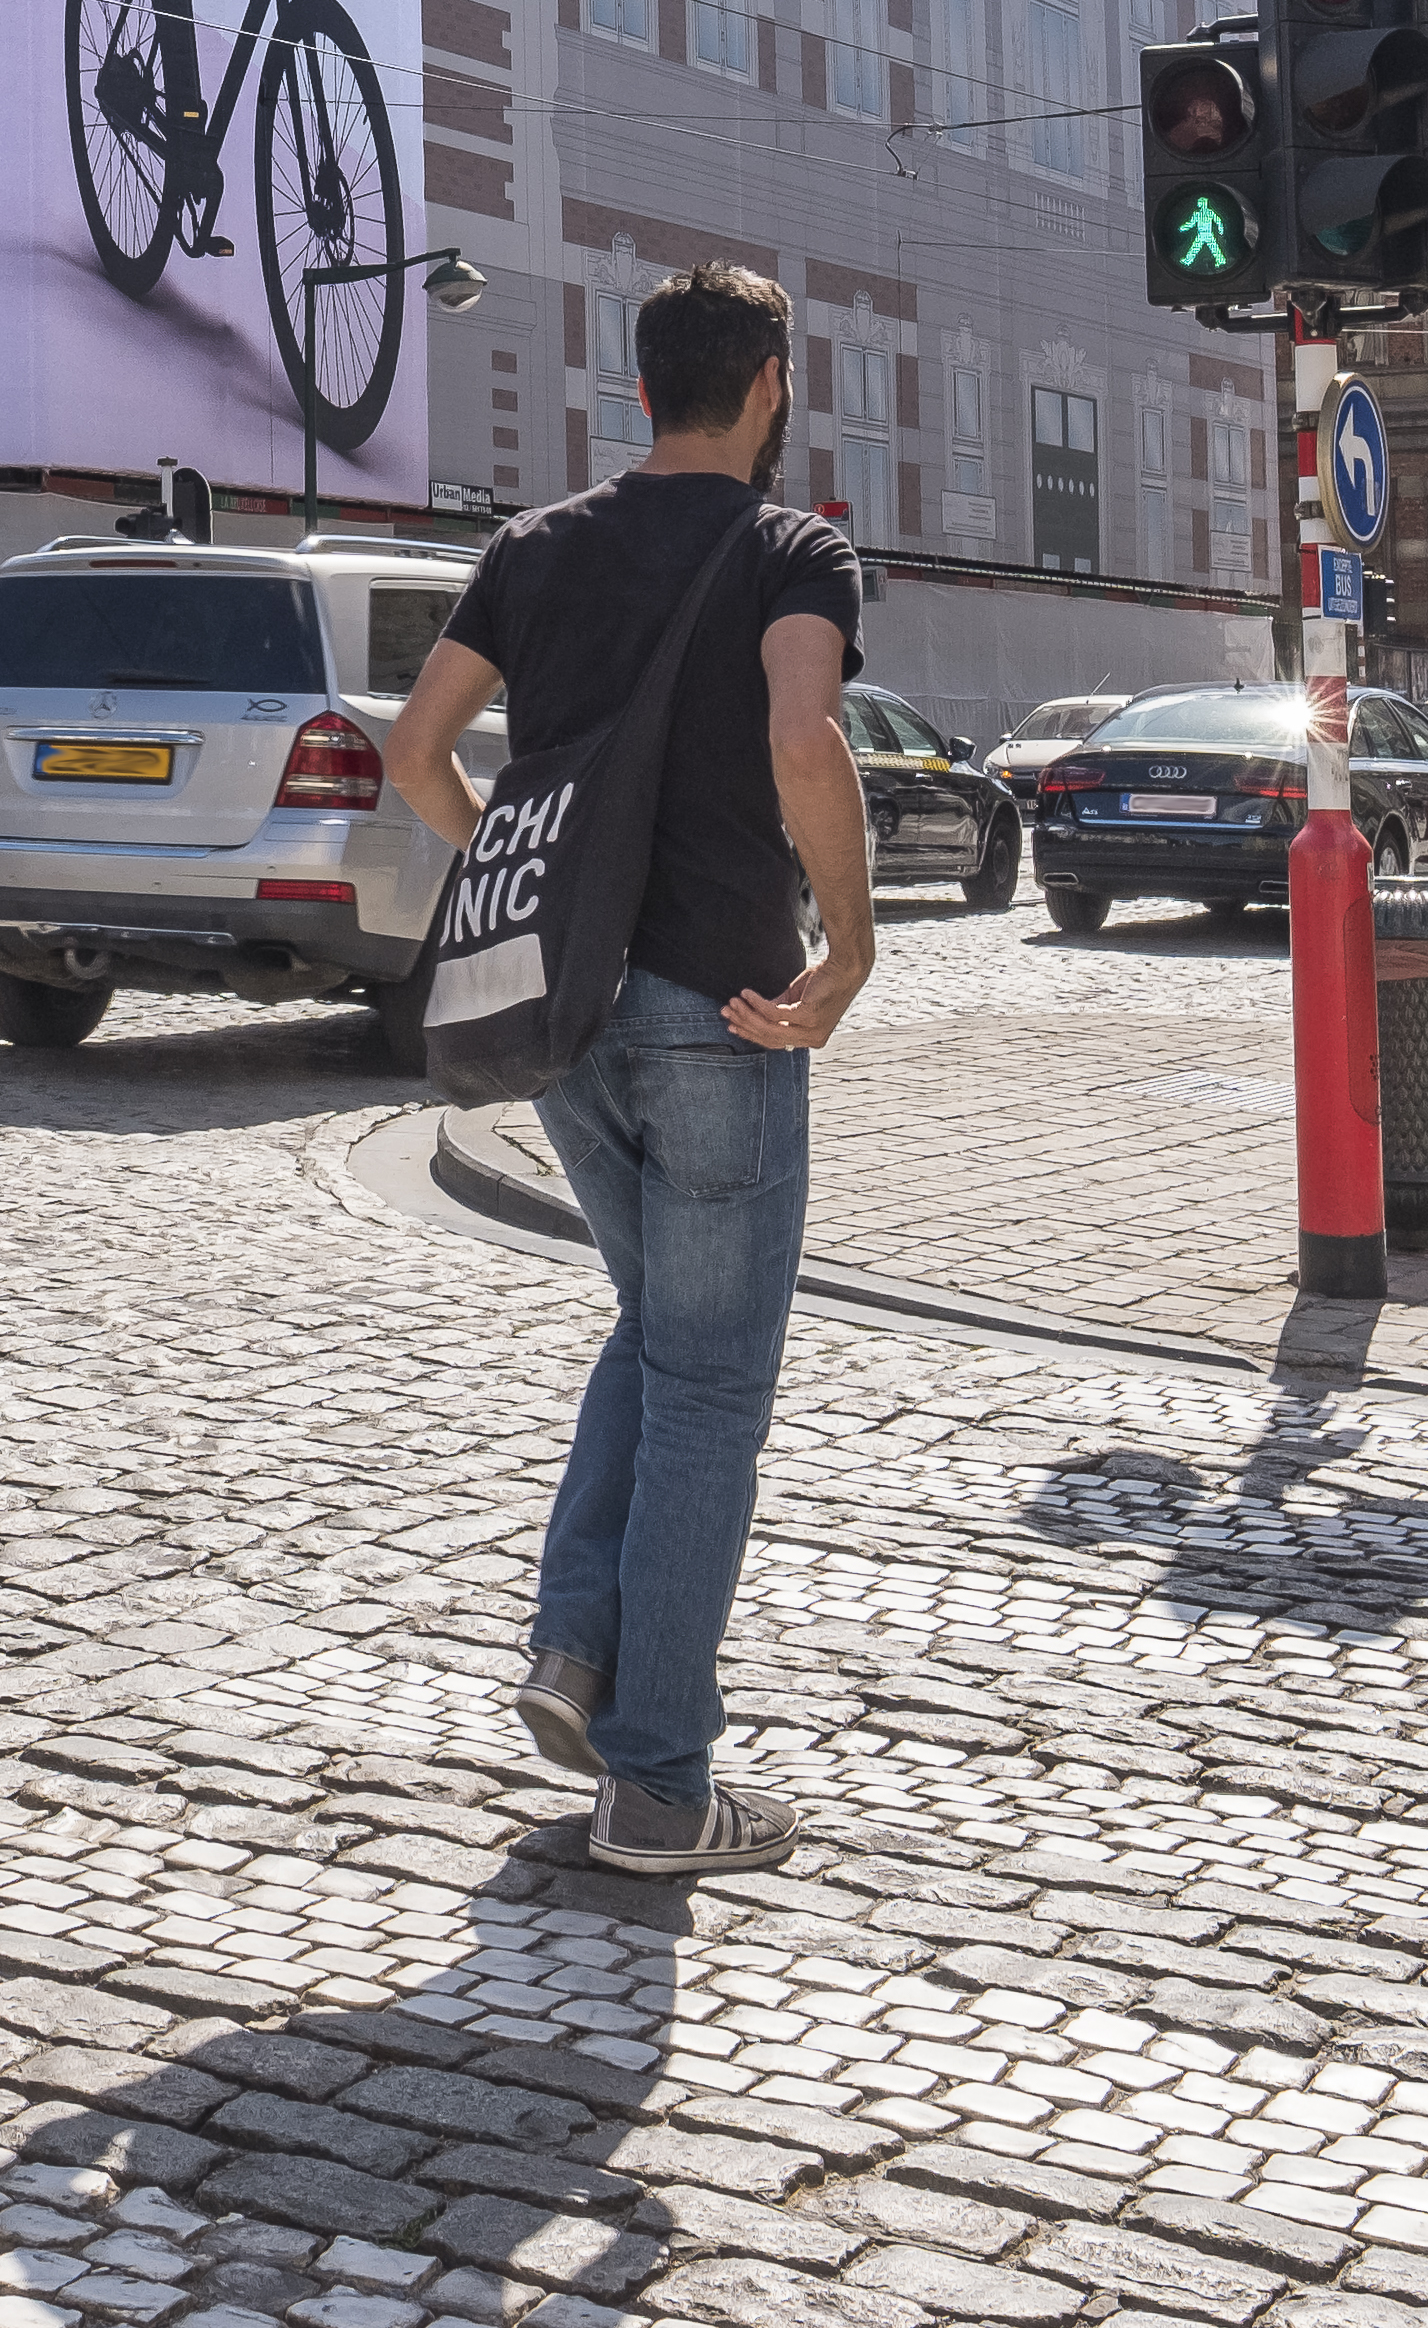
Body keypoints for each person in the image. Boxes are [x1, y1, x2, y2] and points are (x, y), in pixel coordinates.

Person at [384, 258, 870, 1877]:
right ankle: (658, 1787)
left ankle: (575, 1651)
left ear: (639, 389)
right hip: (723, 1009)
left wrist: (528, 880)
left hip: (565, 1016)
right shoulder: (788, 549)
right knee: (714, 1386)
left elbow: (415, 750)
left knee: (656, 1332)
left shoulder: (532, 548)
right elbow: (804, 738)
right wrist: (847, 947)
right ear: (768, 387)